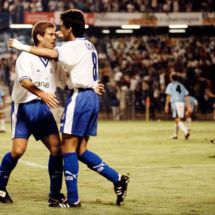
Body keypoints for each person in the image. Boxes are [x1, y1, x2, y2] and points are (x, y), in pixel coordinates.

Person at [8, 9, 129, 208]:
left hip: (80, 98)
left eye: (61, 27)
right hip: (91, 97)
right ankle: (117, 179)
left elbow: (50, 52)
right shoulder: (89, 45)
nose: (58, 32)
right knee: (81, 150)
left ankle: (73, 199)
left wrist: (22, 46)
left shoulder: (72, 46)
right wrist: (90, 84)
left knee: (67, 149)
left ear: (70, 28)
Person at [0, 22, 66, 205]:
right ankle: (0, 187)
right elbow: (25, 82)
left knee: (57, 149)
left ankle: (55, 194)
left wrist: (91, 85)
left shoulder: (54, 59)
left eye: (55, 34)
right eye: (51, 34)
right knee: (18, 151)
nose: (54, 37)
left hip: (42, 109)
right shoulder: (25, 56)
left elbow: (65, 82)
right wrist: (43, 94)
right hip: (24, 108)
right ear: (39, 37)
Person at [165, 72, 191, 140]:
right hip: (182, 103)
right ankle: (175, 135)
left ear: (171, 78)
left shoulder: (170, 85)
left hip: (175, 103)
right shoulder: (181, 85)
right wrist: (188, 105)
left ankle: (186, 132)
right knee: (178, 119)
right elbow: (186, 95)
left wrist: (166, 105)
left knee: (177, 119)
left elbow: (168, 95)